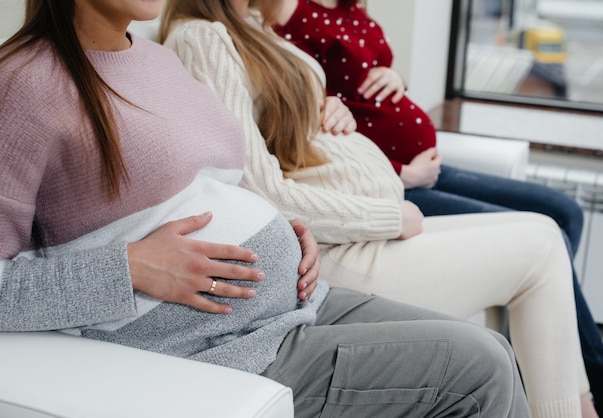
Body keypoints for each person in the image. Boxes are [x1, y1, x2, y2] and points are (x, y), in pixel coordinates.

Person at [0, 1, 533, 417]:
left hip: (297, 300)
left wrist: (280, 226)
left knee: (492, 350)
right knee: (482, 369)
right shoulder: (23, 85)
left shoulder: (156, 59)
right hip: (221, 345)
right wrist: (132, 267)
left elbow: (211, 181)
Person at [160, 0, 599, 416]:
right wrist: (389, 218)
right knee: (541, 249)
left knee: (545, 229)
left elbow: (272, 129)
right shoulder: (202, 38)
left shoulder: (251, 24)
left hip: (364, 224)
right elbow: (258, 187)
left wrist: (320, 107)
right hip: (337, 246)